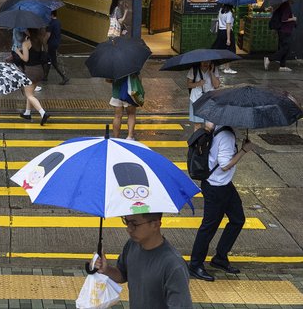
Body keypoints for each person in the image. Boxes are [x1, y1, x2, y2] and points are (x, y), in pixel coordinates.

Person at [188, 122, 255, 282]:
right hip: (216, 187)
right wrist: (244, 151)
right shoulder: (226, 135)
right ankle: (195, 265)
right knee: (209, 227)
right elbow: (225, 165)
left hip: (224, 185)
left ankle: (220, 258)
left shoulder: (218, 127)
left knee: (237, 219)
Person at [94, 213, 192, 309]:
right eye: (126, 222)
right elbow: (122, 275)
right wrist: (106, 269)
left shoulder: (174, 266)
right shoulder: (132, 245)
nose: (128, 229)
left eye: (134, 224)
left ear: (155, 224)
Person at [15, 28, 50, 126]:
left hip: (30, 71)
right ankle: (27, 113)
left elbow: (25, 59)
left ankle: (43, 113)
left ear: (29, 32)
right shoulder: (39, 41)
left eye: (26, 30)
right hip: (39, 70)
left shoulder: (26, 43)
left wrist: (18, 52)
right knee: (30, 93)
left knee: (29, 95)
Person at [187, 61, 221, 131]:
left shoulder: (214, 69)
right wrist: (198, 83)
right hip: (196, 99)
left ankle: (207, 141)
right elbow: (188, 84)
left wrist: (211, 73)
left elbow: (216, 85)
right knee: (197, 125)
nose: (206, 64)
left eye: (208, 62)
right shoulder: (194, 69)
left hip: (210, 100)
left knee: (209, 126)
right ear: (200, 61)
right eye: (204, 62)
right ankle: (197, 141)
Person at [265, 0, 297, 72]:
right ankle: (270, 59)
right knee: (285, 48)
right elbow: (284, 19)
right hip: (285, 31)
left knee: (285, 48)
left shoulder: (283, 5)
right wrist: (293, 18)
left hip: (283, 30)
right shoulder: (286, 6)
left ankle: (282, 66)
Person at [108, 74, 140, 140]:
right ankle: (130, 136)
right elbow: (135, 77)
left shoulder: (112, 67)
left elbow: (108, 80)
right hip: (129, 94)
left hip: (117, 94)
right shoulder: (132, 65)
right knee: (131, 115)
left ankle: (116, 138)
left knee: (117, 116)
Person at [44, 10, 69, 85]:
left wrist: (43, 43)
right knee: (48, 59)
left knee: (53, 62)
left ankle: (64, 77)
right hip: (56, 42)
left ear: (51, 14)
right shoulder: (58, 22)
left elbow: (48, 35)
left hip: (51, 44)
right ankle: (45, 76)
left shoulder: (51, 23)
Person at [212, 4, 237, 74]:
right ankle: (227, 68)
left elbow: (218, 20)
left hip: (220, 32)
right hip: (227, 32)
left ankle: (221, 65)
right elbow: (228, 26)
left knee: (221, 49)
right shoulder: (229, 13)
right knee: (229, 50)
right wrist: (228, 39)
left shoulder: (221, 10)